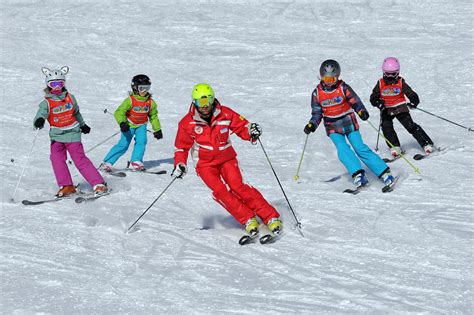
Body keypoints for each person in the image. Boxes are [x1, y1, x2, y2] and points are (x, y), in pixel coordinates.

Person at [172, 83, 282, 237]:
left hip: (227, 159)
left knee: (239, 186)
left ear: (212, 99)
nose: (205, 106)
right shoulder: (187, 123)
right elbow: (181, 148)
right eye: (200, 102)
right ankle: (248, 219)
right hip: (205, 165)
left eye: (207, 101)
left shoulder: (225, 113)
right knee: (221, 192)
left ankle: (271, 217)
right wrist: (180, 164)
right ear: (194, 102)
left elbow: (242, 126)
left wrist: (251, 131)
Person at [304, 60, 394, 188]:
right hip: (332, 126)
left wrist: (361, 111)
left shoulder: (343, 88)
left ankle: (384, 172)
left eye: (332, 79)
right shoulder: (317, 93)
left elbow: (354, 100)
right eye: (326, 79)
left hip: (348, 123)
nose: (329, 82)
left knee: (359, 147)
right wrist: (312, 124)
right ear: (321, 77)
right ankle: (358, 174)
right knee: (342, 149)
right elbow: (317, 113)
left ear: (338, 77)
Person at [34, 66, 108, 197]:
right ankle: (67, 186)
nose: (57, 87)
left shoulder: (70, 97)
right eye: (53, 84)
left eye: (60, 84)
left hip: (73, 132)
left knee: (79, 159)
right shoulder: (47, 102)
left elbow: (76, 113)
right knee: (56, 159)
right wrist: (39, 120)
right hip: (56, 135)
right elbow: (42, 113)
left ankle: (98, 183)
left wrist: (83, 125)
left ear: (64, 83)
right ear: (48, 85)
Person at [370, 57, 434, 157]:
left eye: (393, 74)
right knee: (386, 127)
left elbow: (411, 93)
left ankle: (426, 143)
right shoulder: (380, 83)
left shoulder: (400, 82)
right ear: (383, 72)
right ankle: (394, 146)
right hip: (386, 109)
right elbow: (373, 97)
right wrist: (378, 103)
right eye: (387, 73)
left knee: (410, 126)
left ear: (398, 72)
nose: (390, 76)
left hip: (400, 107)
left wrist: (414, 101)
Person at [101, 74, 163, 171]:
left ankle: (136, 161)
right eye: (142, 88)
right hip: (129, 125)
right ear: (135, 88)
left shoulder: (151, 103)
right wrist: (122, 123)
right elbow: (119, 112)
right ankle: (107, 162)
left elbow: (153, 116)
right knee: (123, 144)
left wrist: (157, 129)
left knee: (141, 142)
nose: (145, 91)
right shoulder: (130, 100)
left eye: (147, 88)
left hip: (141, 125)